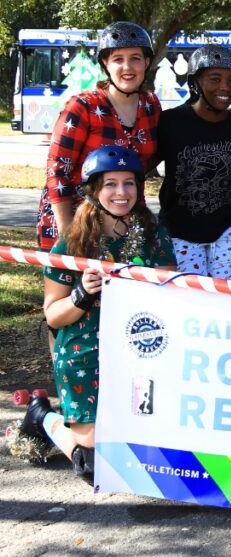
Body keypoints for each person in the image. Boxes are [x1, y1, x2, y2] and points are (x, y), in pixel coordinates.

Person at [12, 146, 175, 480]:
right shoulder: (71, 244)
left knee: (145, 457)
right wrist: (82, 294)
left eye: (129, 183)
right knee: (96, 466)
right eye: (110, 184)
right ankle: (42, 416)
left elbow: (172, 292)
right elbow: (54, 316)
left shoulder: (153, 235)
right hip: (84, 353)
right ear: (94, 190)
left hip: (138, 351)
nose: (121, 193)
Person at [37, 21, 160, 251]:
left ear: (147, 62)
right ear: (105, 64)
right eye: (118, 59)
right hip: (75, 217)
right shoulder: (84, 106)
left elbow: (150, 160)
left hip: (123, 220)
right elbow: (57, 171)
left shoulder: (151, 105)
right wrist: (68, 237)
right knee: (76, 287)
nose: (127, 67)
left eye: (135, 58)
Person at [156, 44, 231, 279]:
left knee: (223, 300)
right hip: (179, 230)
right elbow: (142, 166)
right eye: (215, 79)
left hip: (228, 229)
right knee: (190, 301)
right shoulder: (170, 123)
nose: (225, 87)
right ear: (195, 82)